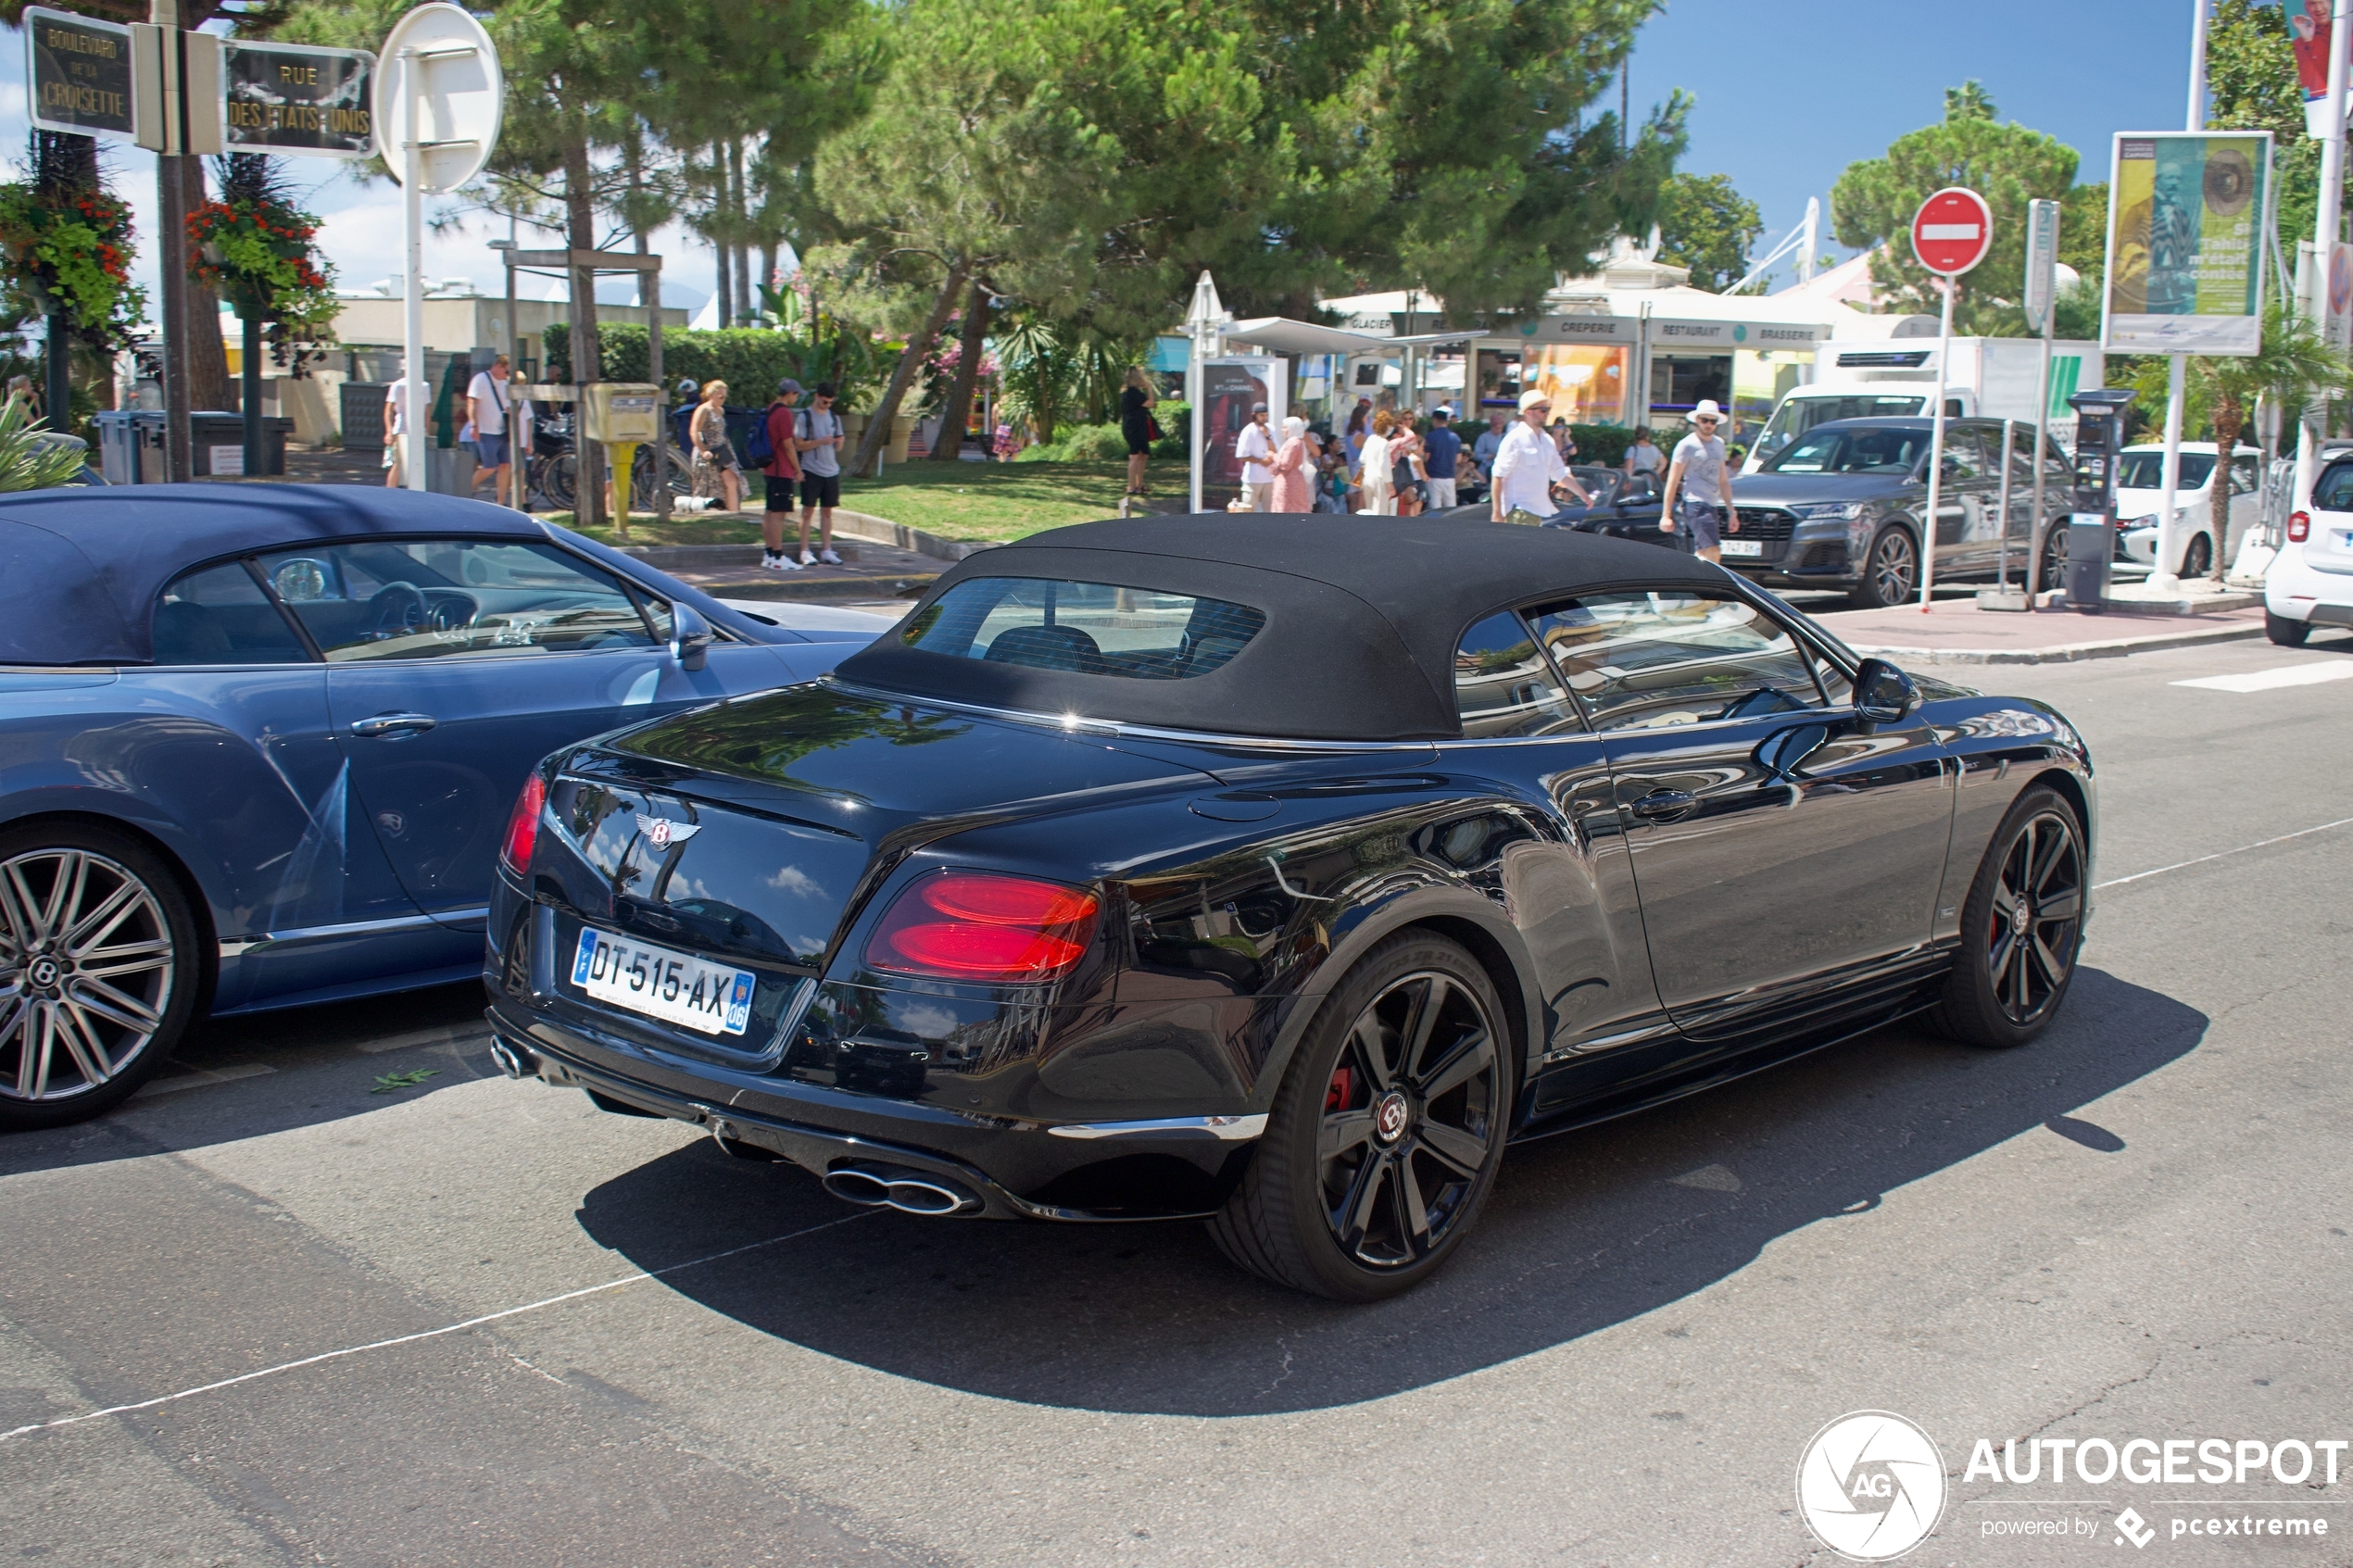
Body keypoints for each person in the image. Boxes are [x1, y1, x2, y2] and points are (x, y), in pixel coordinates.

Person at [1657, 397, 1740, 563]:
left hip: (1712, 504)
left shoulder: (1719, 444)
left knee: (1703, 554)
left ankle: (1695, 585)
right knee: (1712, 551)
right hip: (1695, 504)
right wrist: (1666, 515)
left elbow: (1723, 480)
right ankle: (1711, 587)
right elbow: (1673, 481)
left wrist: (1732, 512)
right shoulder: (1686, 445)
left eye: (1713, 421)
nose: (1708, 424)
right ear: (1697, 420)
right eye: (1704, 420)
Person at [1490, 388, 1589, 522]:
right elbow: (1498, 475)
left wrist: (1583, 495)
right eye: (1543, 410)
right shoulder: (1515, 439)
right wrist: (1497, 513)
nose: (1547, 413)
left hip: (1537, 512)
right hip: (1518, 511)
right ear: (1528, 412)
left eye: (1548, 409)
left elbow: (1559, 472)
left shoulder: (1547, 440)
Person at [795, 381, 847, 564]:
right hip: (811, 469)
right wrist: (819, 442)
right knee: (807, 511)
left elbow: (840, 440)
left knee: (827, 512)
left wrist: (839, 442)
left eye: (830, 403)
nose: (827, 405)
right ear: (816, 396)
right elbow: (799, 444)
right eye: (824, 402)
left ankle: (827, 549)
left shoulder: (834, 417)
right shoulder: (804, 417)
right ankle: (804, 550)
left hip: (831, 470)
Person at [760, 379, 806, 571]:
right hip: (782, 469)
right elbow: (788, 444)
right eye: (796, 394)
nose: (796, 398)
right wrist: (797, 469)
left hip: (770, 468)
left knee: (770, 512)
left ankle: (769, 553)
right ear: (789, 393)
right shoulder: (784, 413)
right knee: (779, 514)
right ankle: (778, 556)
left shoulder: (770, 409)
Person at [466, 352, 516, 507]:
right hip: (486, 430)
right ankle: (464, 491)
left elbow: (508, 407)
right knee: (489, 467)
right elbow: (471, 402)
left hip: (503, 431)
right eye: (506, 371)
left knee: (505, 465)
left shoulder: (505, 383)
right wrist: (474, 424)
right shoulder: (481, 379)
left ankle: (500, 501)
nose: (507, 375)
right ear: (498, 366)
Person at [690, 380, 742, 512]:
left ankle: (733, 513)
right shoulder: (703, 410)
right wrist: (703, 451)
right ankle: (723, 512)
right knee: (711, 486)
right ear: (712, 395)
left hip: (722, 450)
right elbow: (694, 431)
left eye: (725, 396)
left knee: (732, 481)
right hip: (709, 451)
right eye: (720, 396)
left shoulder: (720, 410)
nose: (723, 399)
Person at [1120, 366, 1157, 496]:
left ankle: (1139, 485)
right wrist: (1149, 388)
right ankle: (1131, 486)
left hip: (1137, 426)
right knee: (1135, 456)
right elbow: (1151, 403)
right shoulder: (1133, 393)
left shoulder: (1127, 392)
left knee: (1143, 454)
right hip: (1134, 427)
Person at [1235, 402, 1277, 510]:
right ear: (1255, 415)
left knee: (1270, 513)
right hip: (1252, 479)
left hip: (1269, 479)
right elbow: (1241, 455)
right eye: (1262, 415)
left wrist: (1268, 436)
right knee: (1249, 512)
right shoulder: (1248, 431)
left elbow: (1275, 451)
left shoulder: (1271, 429)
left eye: (1266, 415)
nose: (1264, 418)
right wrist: (1260, 461)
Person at [1356, 409, 1398, 515]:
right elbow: (1383, 465)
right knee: (1380, 511)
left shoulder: (1370, 439)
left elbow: (1362, 458)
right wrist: (1390, 483)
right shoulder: (1384, 443)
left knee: (1369, 510)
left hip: (1367, 478)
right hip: (1379, 479)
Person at [1269, 415, 1313, 511]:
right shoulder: (1294, 441)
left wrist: (1273, 455)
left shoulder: (1294, 443)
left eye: (1285, 427)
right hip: (1289, 480)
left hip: (1289, 483)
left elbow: (1286, 465)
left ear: (1293, 428)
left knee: (1286, 510)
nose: (1282, 430)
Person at [1422, 408, 1462, 510]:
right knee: (1451, 509)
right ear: (1447, 421)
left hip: (1434, 477)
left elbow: (1426, 457)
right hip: (1450, 477)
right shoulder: (1455, 438)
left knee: (1435, 508)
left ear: (1435, 420)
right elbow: (1458, 459)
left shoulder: (1430, 437)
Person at [381, 368, 409, 488]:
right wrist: (389, 431)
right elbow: (388, 410)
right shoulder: (398, 385)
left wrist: (426, 430)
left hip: (418, 430)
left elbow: (426, 411)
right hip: (400, 430)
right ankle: (390, 489)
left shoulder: (424, 386)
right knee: (398, 462)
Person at [1470, 410, 1509, 495]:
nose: (1499, 430)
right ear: (1492, 427)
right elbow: (1476, 455)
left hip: (1502, 470)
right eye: (1496, 428)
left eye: (1500, 428)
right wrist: (1489, 456)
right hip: (1487, 470)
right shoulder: (1484, 437)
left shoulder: (1505, 437)